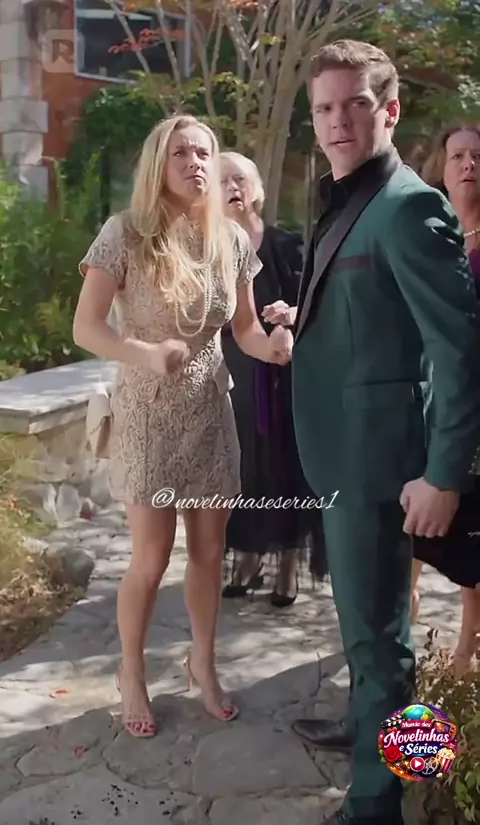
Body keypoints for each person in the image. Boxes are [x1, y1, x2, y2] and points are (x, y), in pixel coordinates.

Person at [265, 40, 480, 825]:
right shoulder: (345, 198)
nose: (337, 121)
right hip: (340, 457)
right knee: (366, 632)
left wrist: (444, 474)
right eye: (324, 108)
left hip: (383, 465)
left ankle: (376, 802)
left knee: (381, 642)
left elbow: (460, 352)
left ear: (388, 110)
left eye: (355, 104)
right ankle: (374, 735)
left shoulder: (409, 206)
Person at [72, 114, 292, 737]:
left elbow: (244, 330)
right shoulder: (125, 233)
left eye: (203, 152)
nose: (196, 163)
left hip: (209, 413)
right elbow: (86, 328)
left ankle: (203, 663)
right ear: (158, 166)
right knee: (150, 559)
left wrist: (275, 347)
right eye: (181, 154)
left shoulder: (232, 240)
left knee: (210, 552)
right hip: (147, 413)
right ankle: (132, 671)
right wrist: (144, 353)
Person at [219, 151, 328, 605]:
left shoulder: (285, 245)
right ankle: (248, 556)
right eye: (223, 181)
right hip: (234, 373)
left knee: (286, 467)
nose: (232, 188)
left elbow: (315, 301)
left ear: (257, 189)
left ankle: (287, 563)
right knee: (245, 468)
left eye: (240, 179)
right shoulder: (207, 248)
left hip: (285, 374)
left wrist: (288, 318)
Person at [411, 125, 480, 675]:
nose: (468, 164)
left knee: (471, 532)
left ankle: (465, 651)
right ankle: (400, 614)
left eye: (478, 156)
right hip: (419, 395)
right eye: (458, 155)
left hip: (472, 397)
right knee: (408, 519)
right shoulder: (428, 232)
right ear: (443, 165)